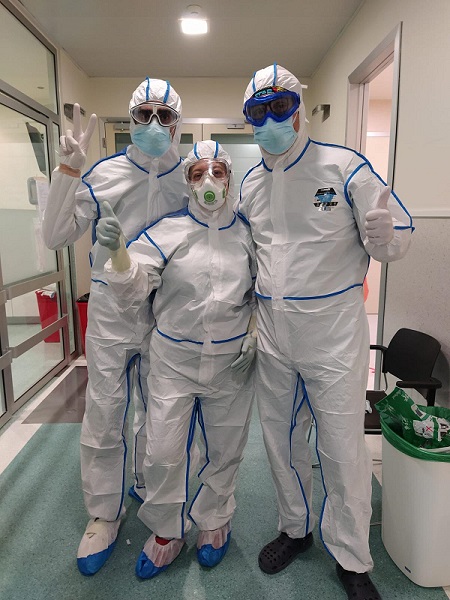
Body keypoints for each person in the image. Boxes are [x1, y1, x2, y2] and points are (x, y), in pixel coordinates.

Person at [239, 64, 413, 600]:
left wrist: (386, 236)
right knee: (281, 440)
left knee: (341, 449)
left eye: (280, 107)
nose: (271, 120)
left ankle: (352, 557)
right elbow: (248, 257)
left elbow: (396, 232)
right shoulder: (249, 184)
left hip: (333, 334)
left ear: (299, 108)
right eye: (258, 112)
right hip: (273, 333)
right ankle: (295, 529)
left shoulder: (344, 166)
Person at [42, 78, 188, 576]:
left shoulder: (188, 176)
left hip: (167, 309)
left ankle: (150, 487)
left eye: (164, 115)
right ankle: (104, 513)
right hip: (111, 311)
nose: (154, 124)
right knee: (105, 411)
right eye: (144, 114)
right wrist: (68, 172)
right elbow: (54, 235)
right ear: (131, 119)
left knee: (162, 411)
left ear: (178, 123)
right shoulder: (104, 173)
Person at [96, 140, 257, 578]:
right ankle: (167, 530)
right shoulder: (167, 231)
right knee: (163, 451)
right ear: (187, 181)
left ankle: (214, 521)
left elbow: (265, 288)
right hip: (173, 362)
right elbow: (133, 287)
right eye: (198, 173)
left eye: (217, 172)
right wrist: (119, 254)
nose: (209, 181)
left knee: (226, 448)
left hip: (230, 363)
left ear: (230, 177)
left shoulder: (247, 234)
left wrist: (255, 331)